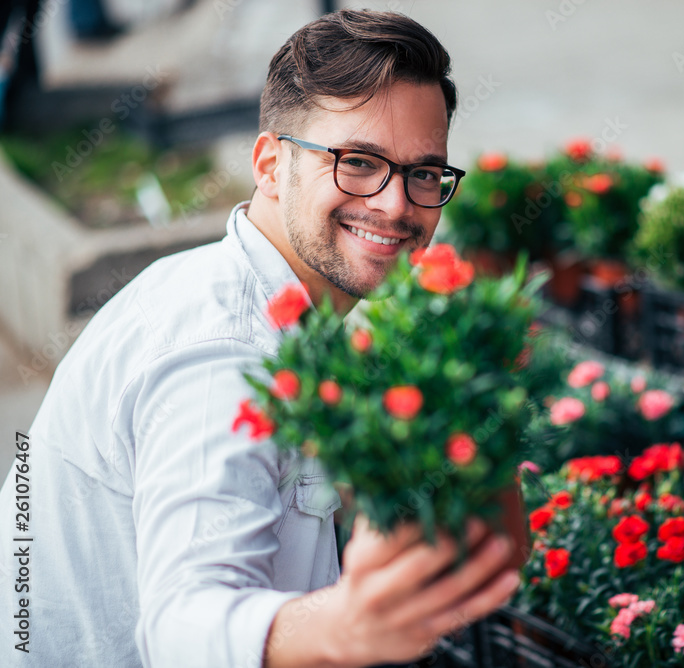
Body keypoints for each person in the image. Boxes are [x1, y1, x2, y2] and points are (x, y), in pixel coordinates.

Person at [0, 10, 520, 667]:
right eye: (358, 162)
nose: (396, 205)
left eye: (424, 173)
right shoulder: (222, 351)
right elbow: (185, 627)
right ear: (271, 165)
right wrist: (346, 627)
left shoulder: (257, 298)